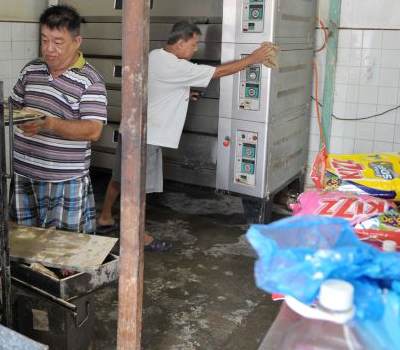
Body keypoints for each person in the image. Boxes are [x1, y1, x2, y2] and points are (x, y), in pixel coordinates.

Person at [97, 21, 277, 251]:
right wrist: (253, 59)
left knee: (121, 177)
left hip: (130, 129)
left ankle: (105, 217)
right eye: (194, 44)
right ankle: (137, 235)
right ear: (180, 43)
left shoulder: (155, 55)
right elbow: (218, 72)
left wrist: (182, 93)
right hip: (147, 137)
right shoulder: (175, 66)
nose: (195, 50)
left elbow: (157, 86)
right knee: (139, 189)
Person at [9, 4, 107, 233]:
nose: (49, 49)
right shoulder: (31, 70)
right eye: (44, 40)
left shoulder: (90, 80)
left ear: (76, 42)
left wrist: (49, 124)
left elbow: (93, 131)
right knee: (25, 246)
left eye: (58, 42)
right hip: (24, 174)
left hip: (65, 180)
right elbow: (12, 108)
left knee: (65, 251)